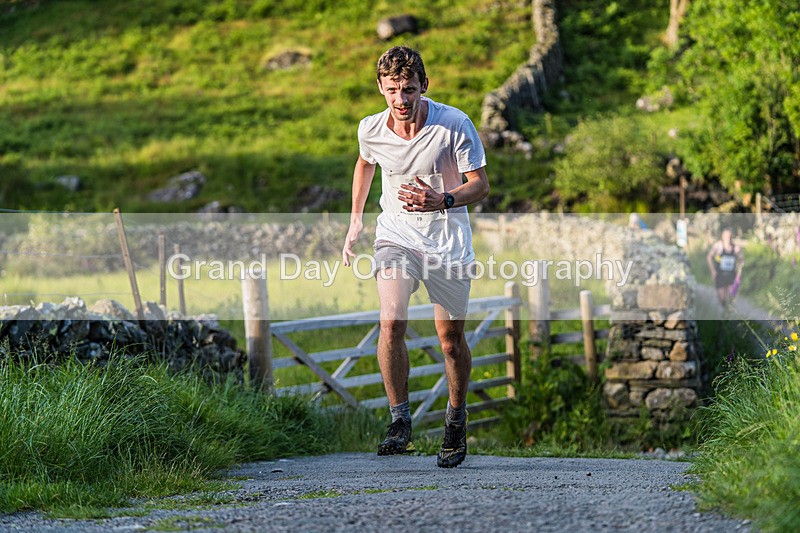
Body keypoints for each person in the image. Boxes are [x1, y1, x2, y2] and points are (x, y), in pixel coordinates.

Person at [341, 46, 489, 468]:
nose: (401, 100)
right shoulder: (370, 129)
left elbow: (480, 186)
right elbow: (365, 163)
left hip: (446, 242)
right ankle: (400, 423)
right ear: (381, 89)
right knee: (391, 321)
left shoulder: (453, 125)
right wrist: (355, 221)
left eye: (408, 90)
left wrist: (441, 198)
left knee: (449, 340)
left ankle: (455, 421)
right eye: (392, 91)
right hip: (396, 236)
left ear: (424, 85)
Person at [706, 226, 744, 310]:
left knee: (731, 295)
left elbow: (741, 260)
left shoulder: (735, 248)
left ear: (731, 237)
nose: (727, 238)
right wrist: (713, 271)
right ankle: (724, 307)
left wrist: (739, 272)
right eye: (726, 236)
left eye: (729, 236)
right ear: (722, 236)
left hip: (731, 274)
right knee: (721, 296)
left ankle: (729, 311)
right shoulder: (718, 246)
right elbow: (709, 257)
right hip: (720, 274)